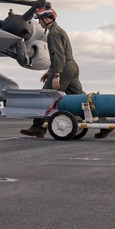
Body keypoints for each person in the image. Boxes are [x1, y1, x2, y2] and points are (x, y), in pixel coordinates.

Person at [21, 7, 89, 138]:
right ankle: (103, 122)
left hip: (64, 67)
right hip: (71, 67)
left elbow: (58, 55)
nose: (39, 23)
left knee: (46, 96)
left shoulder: (53, 33)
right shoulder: (58, 30)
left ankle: (38, 128)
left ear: (47, 19)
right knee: (80, 99)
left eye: (40, 20)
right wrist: (50, 71)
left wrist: (56, 74)